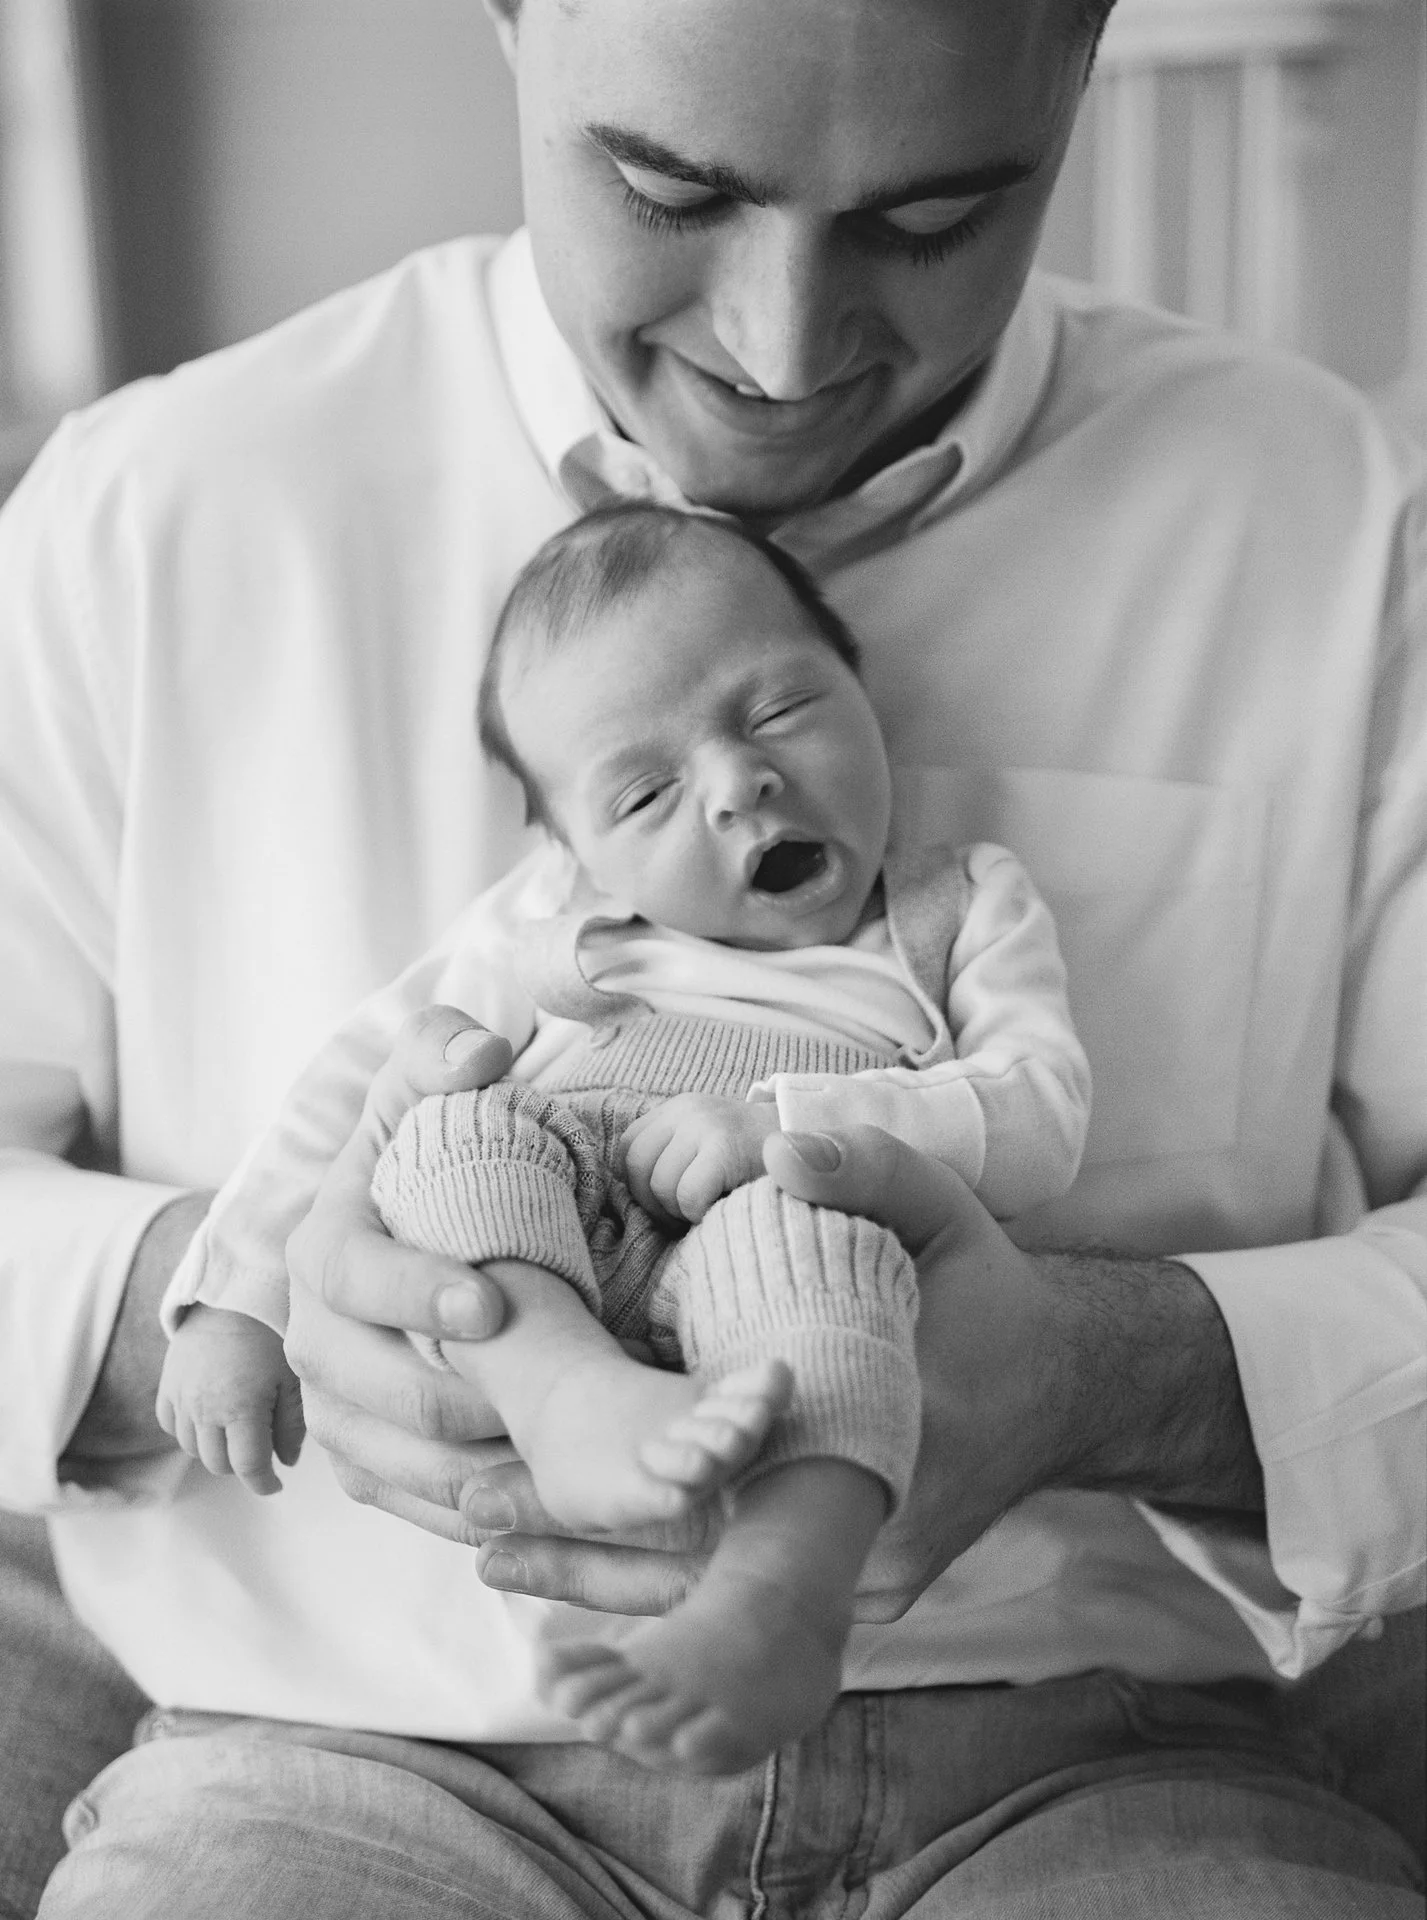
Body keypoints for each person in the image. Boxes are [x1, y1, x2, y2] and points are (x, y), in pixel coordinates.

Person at [0, 0, 1422, 1910]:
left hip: (1092, 1764)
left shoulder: (1325, 519)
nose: (777, 349)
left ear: (1085, 59)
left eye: (932, 219)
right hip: (342, 1765)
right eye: (667, 190)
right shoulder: (149, 516)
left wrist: (1127, 1370)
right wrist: (242, 1301)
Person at [156, 501, 1091, 1774]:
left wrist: (788, 1126)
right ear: (573, 844)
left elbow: (1038, 1116)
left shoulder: (955, 904)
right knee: (449, 1130)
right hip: (561, 1222)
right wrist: (235, 1297)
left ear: (858, 685)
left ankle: (779, 1591)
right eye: (645, 790)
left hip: (775, 1220)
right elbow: (353, 1089)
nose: (737, 782)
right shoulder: (554, 919)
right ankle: (569, 1391)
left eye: (776, 711)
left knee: (836, 1282)